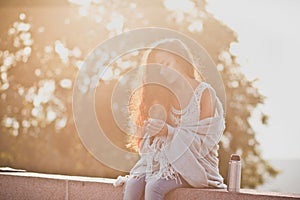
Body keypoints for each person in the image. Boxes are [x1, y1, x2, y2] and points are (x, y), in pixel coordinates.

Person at [122, 38, 226, 200]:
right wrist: (151, 130)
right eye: (159, 68)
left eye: (167, 65)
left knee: (154, 187)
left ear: (181, 62)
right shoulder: (165, 94)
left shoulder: (204, 93)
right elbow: (153, 142)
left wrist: (167, 131)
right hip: (166, 161)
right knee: (133, 183)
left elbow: (204, 140)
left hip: (196, 163)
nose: (163, 72)